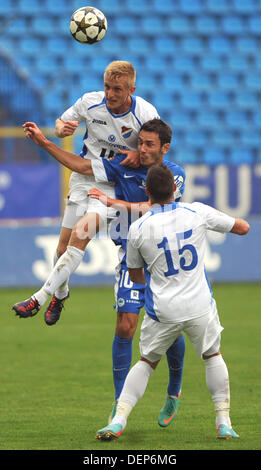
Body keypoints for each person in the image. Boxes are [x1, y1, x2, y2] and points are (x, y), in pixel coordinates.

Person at [13, 118, 186, 426]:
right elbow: (80, 165)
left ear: (164, 148)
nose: (141, 149)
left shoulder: (174, 174)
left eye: (149, 144)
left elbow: (160, 210)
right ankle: (120, 406)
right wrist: (44, 142)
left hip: (163, 262)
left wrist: (111, 201)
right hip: (131, 259)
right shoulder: (121, 167)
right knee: (124, 326)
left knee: (169, 328)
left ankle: (173, 393)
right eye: (140, 143)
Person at [95, 164, 250, 441]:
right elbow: (243, 227)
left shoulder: (139, 228)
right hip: (200, 304)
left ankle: (118, 421)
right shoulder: (197, 211)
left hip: (164, 309)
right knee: (212, 356)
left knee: (145, 362)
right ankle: (223, 421)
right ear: (176, 189)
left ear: (147, 191)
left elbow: (135, 274)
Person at [13, 60, 159, 325]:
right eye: (107, 87)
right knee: (61, 248)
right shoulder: (90, 102)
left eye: (117, 89)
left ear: (132, 89)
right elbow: (60, 123)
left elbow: (158, 147)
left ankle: (39, 298)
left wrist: (139, 153)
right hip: (83, 176)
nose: (111, 94)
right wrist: (61, 129)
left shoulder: (146, 114)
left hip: (114, 186)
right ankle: (61, 292)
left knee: (81, 232)